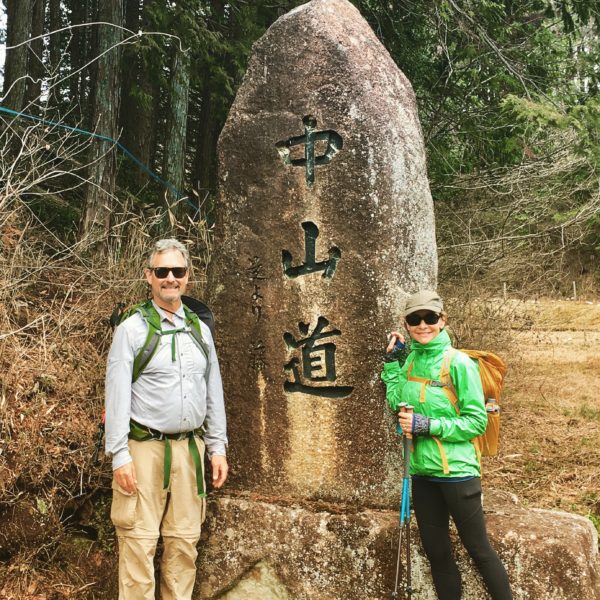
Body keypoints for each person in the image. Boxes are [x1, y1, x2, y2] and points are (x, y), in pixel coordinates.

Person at [105, 238, 228, 600]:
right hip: (144, 449)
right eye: (162, 272)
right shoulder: (131, 329)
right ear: (149, 276)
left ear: (188, 277)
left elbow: (213, 389)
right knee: (138, 545)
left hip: (191, 449)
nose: (170, 278)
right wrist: (119, 454)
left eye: (178, 271)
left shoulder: (199, 330)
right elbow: (116, 394)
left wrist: (217, 447)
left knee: (183, 546)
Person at [381, 290, 512, 600]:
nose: (422, 325)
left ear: (442, 321)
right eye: (415, 319)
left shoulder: (459, 363)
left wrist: (429, 425)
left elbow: (476, 422)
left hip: (457, 473)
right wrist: (392, 363)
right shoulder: (410, 360)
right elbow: (395, 402)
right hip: (422, 473)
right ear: (407, 324)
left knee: (479, 550)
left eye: (430, 318)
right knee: (438, 556)